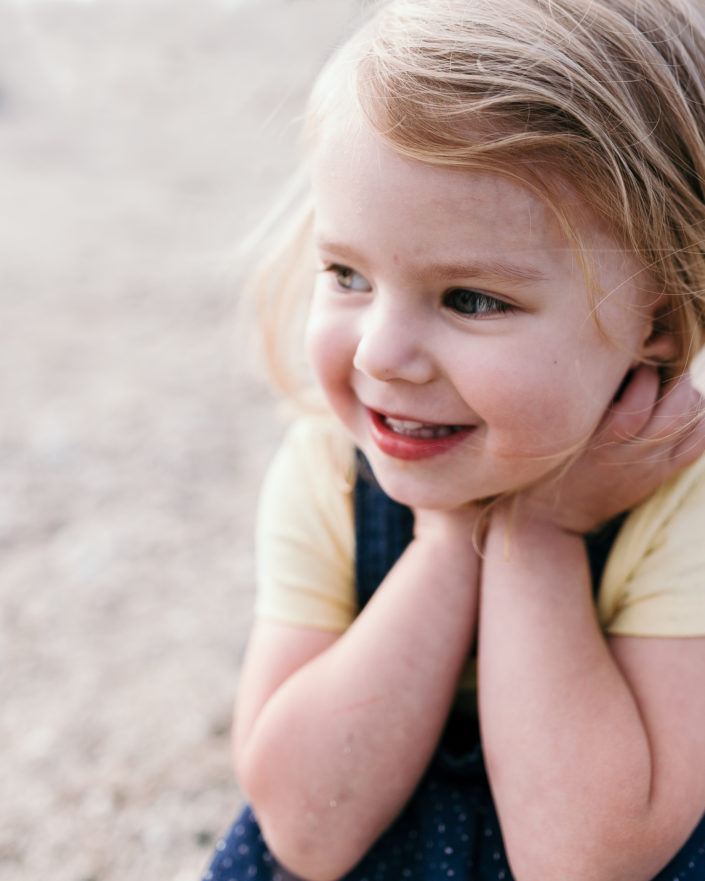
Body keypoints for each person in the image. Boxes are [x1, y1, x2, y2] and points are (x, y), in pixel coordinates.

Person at [202, 1, 705, 879]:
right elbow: (303, 827)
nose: (380, 356)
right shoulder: (328, 470)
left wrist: (536, 533)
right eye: (347, 274)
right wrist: (444, 544)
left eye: (470, 298)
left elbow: (586, 857)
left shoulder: (686, 498)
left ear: (656, 321)